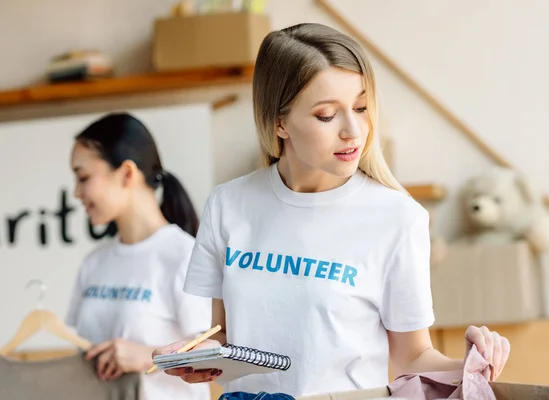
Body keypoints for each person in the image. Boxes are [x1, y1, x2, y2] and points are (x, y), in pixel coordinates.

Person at [154, 22, 511, 397]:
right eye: (327, 115)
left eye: (360, 107)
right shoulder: (228, 205)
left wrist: (472, 364)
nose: (353, 131)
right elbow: (225, 334)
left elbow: (412, 357)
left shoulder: (397, 218)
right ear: (280, 122)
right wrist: (202, 354)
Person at [65, 113, 212, 400]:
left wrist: (148, 356)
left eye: (83, 177)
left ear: (127, 174)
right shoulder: (94, 263)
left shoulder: (184, 256)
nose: (76, 192)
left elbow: (215, 353)